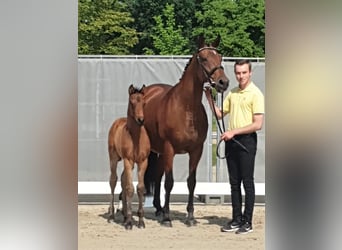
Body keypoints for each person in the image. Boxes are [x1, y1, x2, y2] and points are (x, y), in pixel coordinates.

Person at [204, 59, 264, 234]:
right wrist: (209, 98)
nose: (241, 76)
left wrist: (234, 132)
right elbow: (220, 114)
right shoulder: (233, 93)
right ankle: (237, 218)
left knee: (247, 182)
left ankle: (248, 221)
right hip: (232, 142)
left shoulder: (256, 94)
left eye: (244, 72)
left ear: (250, 73)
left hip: (246, 141)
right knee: (234, 183)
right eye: (238, 73)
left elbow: (257, 124)